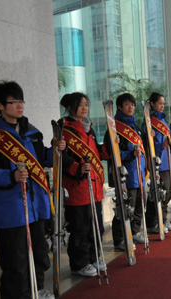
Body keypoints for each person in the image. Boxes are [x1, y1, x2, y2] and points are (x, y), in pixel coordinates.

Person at [0, 81, 64, 299]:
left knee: (40, 254)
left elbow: (44, 159)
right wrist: (11, 176)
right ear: (0, 105)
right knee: (16, 259)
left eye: (21, 100)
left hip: (37, 205)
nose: (20, 105)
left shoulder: (31, 132)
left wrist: (57, 150)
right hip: (11, 209)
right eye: (14, 101)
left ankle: (37, 289)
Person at [59, 92, 109, 276]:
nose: (85, 107)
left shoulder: (89, 128)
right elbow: (62, 159)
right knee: (80, 228)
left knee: (96, 225)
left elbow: (97, 153)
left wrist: (110, 146)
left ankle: (94, 257)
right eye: (80, 105)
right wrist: (76, 169)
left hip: (94, 187)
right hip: (77, 188)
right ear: (70, 107)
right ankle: (80, 264)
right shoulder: (64, 129)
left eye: (86, 104)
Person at [109, 93, 147, 248]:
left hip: (139, 174)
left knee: (139, 206)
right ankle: (120, 239)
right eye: (127, 104)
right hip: (126, 176)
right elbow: (111, 152)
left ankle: (135, 232)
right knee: (124, 208)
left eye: (132, 104)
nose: (131, 107)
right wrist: (131, 154)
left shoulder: (135, 126)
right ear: (119, 107)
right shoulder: (114, 127)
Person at [143, 92, 171, 233]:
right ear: (152, 104)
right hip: (158, 162)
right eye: (159, 104)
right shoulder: (148, 122)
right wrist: (161, 146)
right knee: (160, 193)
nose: (162, 106)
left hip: (169, 161)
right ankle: (155, 221)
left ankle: (163, 219)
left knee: (168, 193)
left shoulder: (163, 121)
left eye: (163, 104)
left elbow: (169, 140)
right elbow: (148, 146)